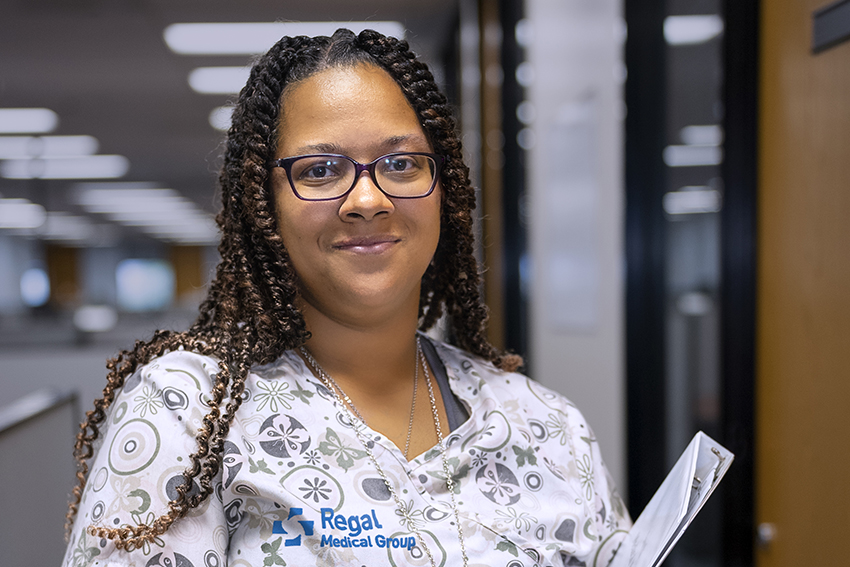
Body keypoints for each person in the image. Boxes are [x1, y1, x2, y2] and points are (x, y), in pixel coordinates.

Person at [63, 28, 630, 567]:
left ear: (445, 189)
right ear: (265, 205)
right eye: (321, 170)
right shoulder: (186, 412)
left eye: (402, 163)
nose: (367, 199)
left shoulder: (545, 425)